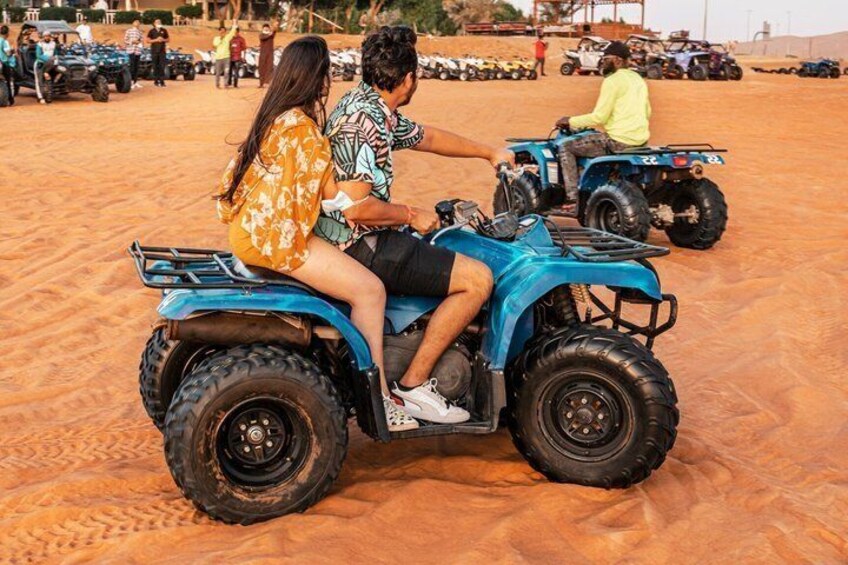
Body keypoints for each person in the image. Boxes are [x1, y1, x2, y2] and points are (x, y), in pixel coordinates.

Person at [216, 36, 417, 433]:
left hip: (249, 232)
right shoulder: (304, 131)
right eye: (327, 74)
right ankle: (377, 396)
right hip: (277, 240)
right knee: (370, 291)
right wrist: (388, 208)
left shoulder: (276, 117)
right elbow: (336, 198)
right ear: (318, 79)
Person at [316, 26, 514, 424]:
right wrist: (410, 214)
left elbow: (428, 137)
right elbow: (356, 209)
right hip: (359, 243)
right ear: (409, 78)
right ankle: (414, 385)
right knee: (477, 279)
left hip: (360, 236)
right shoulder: (362, 122)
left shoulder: (371, 106)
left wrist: (488, 152)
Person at [555, 41, 651, 204]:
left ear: (618, 60)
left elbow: (599, 117)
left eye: (606, 59)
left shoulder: (612, 80)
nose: (603, 62)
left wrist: (570, 121)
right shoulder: (638, 79)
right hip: (641, 141)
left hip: (617, 141)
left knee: (566, 147)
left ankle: (572, 199)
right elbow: (647, 112)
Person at [35, 31, 60, 104]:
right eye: (45, 36)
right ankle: (40, 97)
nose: (47, 37)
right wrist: (49, 59)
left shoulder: (53, 43)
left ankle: (49, 97)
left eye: (48, 36)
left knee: (48, 79)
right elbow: (38, 55)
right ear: (43, 37)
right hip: (41, 63)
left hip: (51, 64)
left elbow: (55, 54)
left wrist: (55, 60)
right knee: (40, 81)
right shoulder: (40, 44)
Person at [212, 22, 236, 89]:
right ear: (219, 31)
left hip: (226, 57)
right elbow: (215, 45)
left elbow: (232, 32)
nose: (222, 32)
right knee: (218, 73)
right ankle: (217, 84)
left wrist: (234, 23)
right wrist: (221, 38)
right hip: (218, 58)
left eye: (224, 31)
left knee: (226, 71)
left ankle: (226, 84)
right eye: (221, 31)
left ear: (225, 32)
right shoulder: (216, 38)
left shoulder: (227, 37)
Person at [146, 18, 169, 87]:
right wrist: (156, 40)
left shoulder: (164, 30)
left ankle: (162, 81)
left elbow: (168, 39)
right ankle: (156, 80)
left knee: (162, 65)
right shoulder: (151, 31)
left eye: (160, 22)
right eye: (157, 22)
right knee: (155, 65)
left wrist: (163, 40)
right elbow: (148, 40)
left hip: (162, 51)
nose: (159, 23)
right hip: (154, 51)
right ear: (154, 23)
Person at [123, 18, 144, 89]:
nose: (137, 23)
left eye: (138, 22)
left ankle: (135, 82)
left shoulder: (140, 32)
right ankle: (130, 82)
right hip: (130, 50)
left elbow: (141, 41)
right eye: (136, 22)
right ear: (133, 23)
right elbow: (125, 40)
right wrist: (132, 42)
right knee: (131, 67)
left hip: (138, 51)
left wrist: (139, 43)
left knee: (136, 67)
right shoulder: (129, 31)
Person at [257, 20, 277, 88]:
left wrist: (275, 26)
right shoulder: (261, 35)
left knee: (269, 68)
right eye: (265, 28)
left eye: (267, 28)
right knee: (262, 68)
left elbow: (274, 31)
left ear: (269, 28)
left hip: (270, 54)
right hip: (263, 54)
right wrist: (270, 34)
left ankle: (268, 83)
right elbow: (263, 37)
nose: (266, 29)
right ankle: (261, 83)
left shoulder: (271, 35)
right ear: (263, 29)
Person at [0, 25, 15, 106]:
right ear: (7, 33)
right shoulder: (4, 42)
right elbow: (8, 53)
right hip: (4, 63)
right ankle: (10, 99)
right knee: (9, 81)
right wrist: (12, 51)